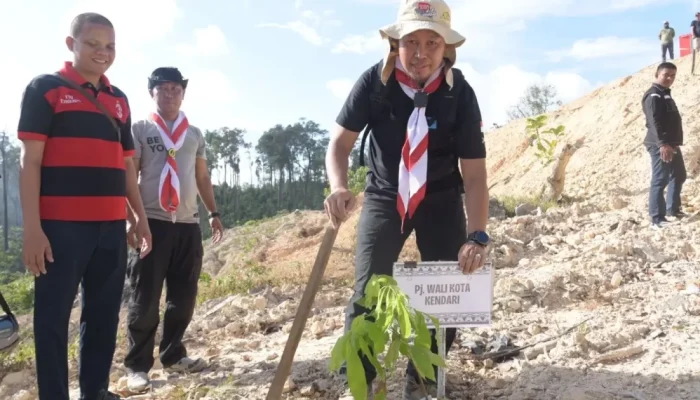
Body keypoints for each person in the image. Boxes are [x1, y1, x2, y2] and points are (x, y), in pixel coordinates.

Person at [323, 1, 489, 398]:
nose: (421, 53)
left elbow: (476, 172)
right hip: (384, 195)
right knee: (368, 290)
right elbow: (339, 145)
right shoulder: (374, 84)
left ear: (446, 49)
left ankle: (426, 376)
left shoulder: (459, 93)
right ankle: (359, 382)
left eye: (432, 43)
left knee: (447, 289)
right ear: (395, 43)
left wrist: (477, 234)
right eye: (411, 41)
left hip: (442, 197)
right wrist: (339, 186)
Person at [17, 12, 151, 400]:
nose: (102, 52)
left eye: (109, 46)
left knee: (104, 315)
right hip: (60, 228)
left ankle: (95, 391)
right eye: (92, 43)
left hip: (110, 227)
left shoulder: (118, 100)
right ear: (71, 44)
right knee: (53, 319)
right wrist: (33, 228)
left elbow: (127, 165)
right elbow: (31, 161)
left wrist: (139, 218)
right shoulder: (47, 90)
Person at [123, 67, 224, 392]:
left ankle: (173, 354)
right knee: (145, 298)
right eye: (163, 89)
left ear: (183, 93)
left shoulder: (193, 133)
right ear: (152, 92)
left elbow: (202, 178)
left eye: (175, 89)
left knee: (184, 296)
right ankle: (137, 366)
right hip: (151, 222)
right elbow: (129, 176)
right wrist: (132, 220)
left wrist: (213, 212)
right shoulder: (139, 129)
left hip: (187, 224)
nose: (169, 94)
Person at [642, 62, 686, 228]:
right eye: (666, 74)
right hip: (660, 144)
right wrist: (662, 144)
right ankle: (656, 219)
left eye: (673, 75)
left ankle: (672, 209)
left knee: (679, 174)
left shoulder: (665, 94)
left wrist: (673, 143)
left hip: (671, 144)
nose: (669, 78)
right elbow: (654, 122)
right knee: (660, 179)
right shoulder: (653, 95)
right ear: (657, 74)